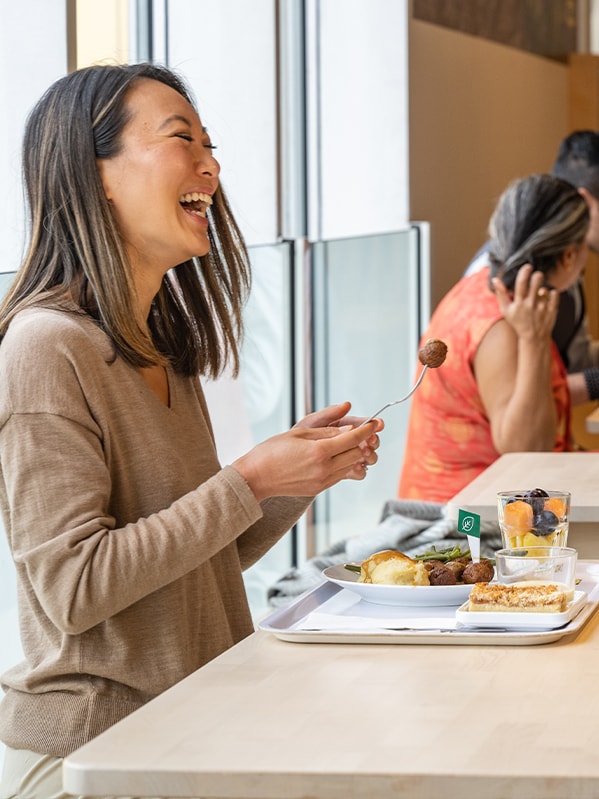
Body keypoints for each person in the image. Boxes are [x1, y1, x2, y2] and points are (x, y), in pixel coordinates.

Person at [0, 63, 382, 798]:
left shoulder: (159, 344)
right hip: (91, 758)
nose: (211, 164)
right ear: (95, 171)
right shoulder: (45, 346)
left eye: (210, 144)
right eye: (183, 139)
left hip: (185, 731)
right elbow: (75, 587)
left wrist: (297, 476)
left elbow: (199, 558)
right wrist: (250, 478)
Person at [398, 173, 589, 503]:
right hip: (467, 522)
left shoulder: (487, 290)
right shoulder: (502, 327)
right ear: (570, 256)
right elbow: (527, 452)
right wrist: (534, 340)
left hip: (488, 496)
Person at [467, 130, 599, 405]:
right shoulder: (497, 284)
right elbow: (517, 411)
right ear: (584, 204)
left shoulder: (563, 267)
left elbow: (574, 362)